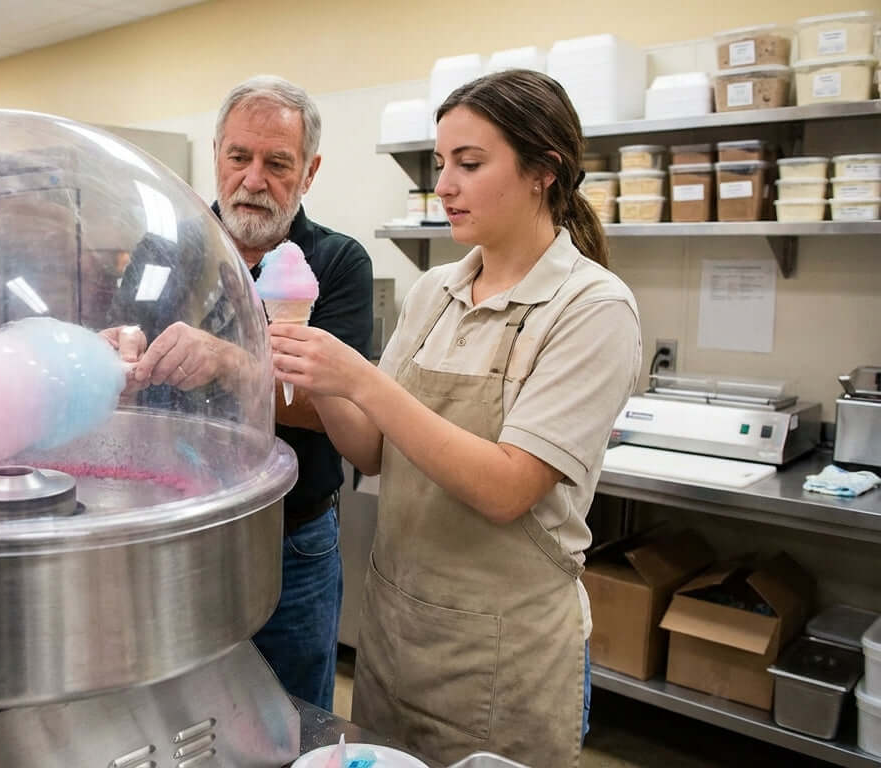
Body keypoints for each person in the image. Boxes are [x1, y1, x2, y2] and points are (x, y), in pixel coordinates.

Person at [268, 69, 641, 766]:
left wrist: (362, 380)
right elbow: (374, 450)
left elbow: (507, 487)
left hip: (500, 659)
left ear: (543, 173)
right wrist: (317, 380)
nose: (444, 185)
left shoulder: (591, 308)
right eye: (442, 164)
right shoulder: (438, 290)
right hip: (396, 639)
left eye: (469, 164)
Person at [110, 75, 373, 711]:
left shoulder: (337, 264)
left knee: (287, 716)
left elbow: (343, 415)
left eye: (277, 163)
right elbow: (124, 367)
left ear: (309, 173)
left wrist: (233, 361)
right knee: (177, 711)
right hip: (174, 527)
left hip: (291, 543)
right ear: (217, 155)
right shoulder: (163, 249)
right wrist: (111, 354)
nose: (253, 180)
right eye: (239, 157)